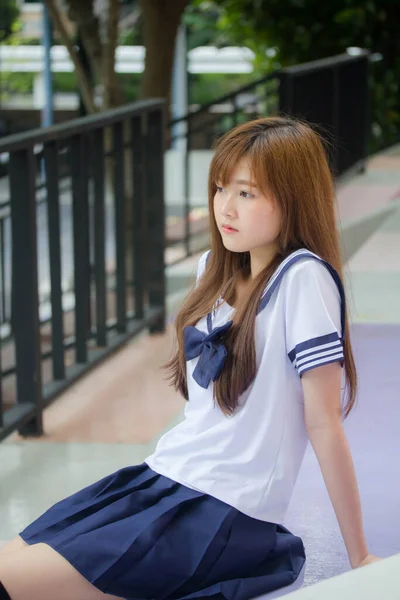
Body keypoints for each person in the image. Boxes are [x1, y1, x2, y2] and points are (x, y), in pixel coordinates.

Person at [0, 117, 381, 600]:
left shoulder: (303, 279)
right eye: (221, 188)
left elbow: (324, 423)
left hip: (220, 514)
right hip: (163, 478)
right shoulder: (213, 269)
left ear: (295, 197)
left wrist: (360, 557)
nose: (226, 206)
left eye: (247, 193)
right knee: (10, 559)